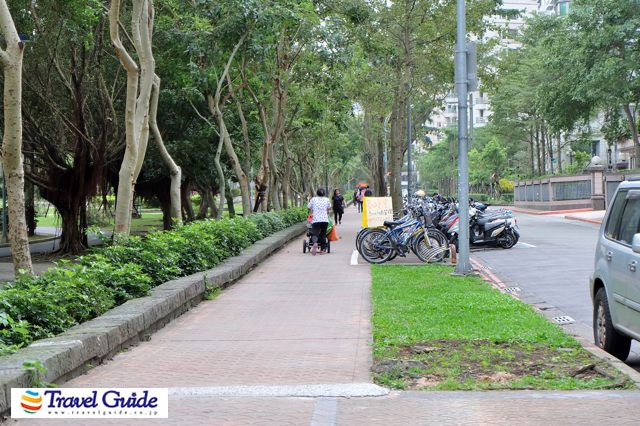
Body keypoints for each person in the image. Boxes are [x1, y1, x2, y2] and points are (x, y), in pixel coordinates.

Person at [307, 188, 331, 255]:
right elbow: (329, 207)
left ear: (317, 193)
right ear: (324, 193)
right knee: (323, 234)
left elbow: (309, 207)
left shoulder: (313, 199)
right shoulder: (327, 199)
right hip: (324, 219)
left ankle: (315, 243)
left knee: (315, 233)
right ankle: (322, 250)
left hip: (316, 219)